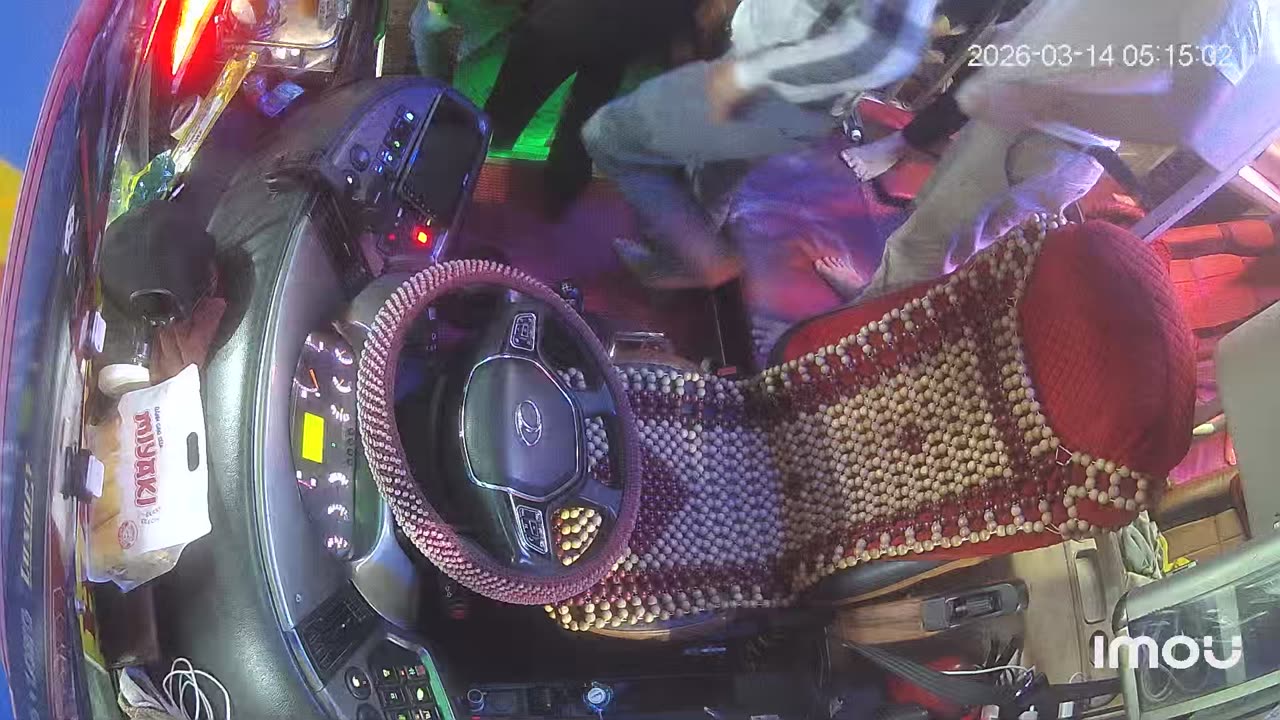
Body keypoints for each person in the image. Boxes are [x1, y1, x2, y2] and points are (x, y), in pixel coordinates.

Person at [583, 0, 940, 289]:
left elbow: (883, 48)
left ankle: (700, 258)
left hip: (771, 93)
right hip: (768, 77)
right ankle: (680, 261)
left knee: (609, 137)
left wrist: (745, 76)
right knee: (717, 173)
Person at [483, 0, 702, 219]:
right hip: (614, 36)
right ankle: (557, 196)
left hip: (568, 22)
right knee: (581, 122)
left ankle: (483, 156)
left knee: (507, 111)